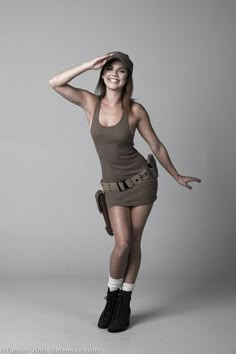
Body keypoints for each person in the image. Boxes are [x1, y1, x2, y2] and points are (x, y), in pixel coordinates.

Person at [49, 51, 202, 332]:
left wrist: (176, 175)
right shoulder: (90, 103)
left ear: (128, 77)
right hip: (113, 188)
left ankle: (125, 301)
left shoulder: (135, 110)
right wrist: (88, 64)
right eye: (109, 69)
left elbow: (155, 146)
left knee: (133, 242)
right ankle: (111, 298)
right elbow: (55, 83)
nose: (114, 74)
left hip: (142, 181)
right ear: (102, 73)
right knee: (121, 245)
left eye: (121, 71)